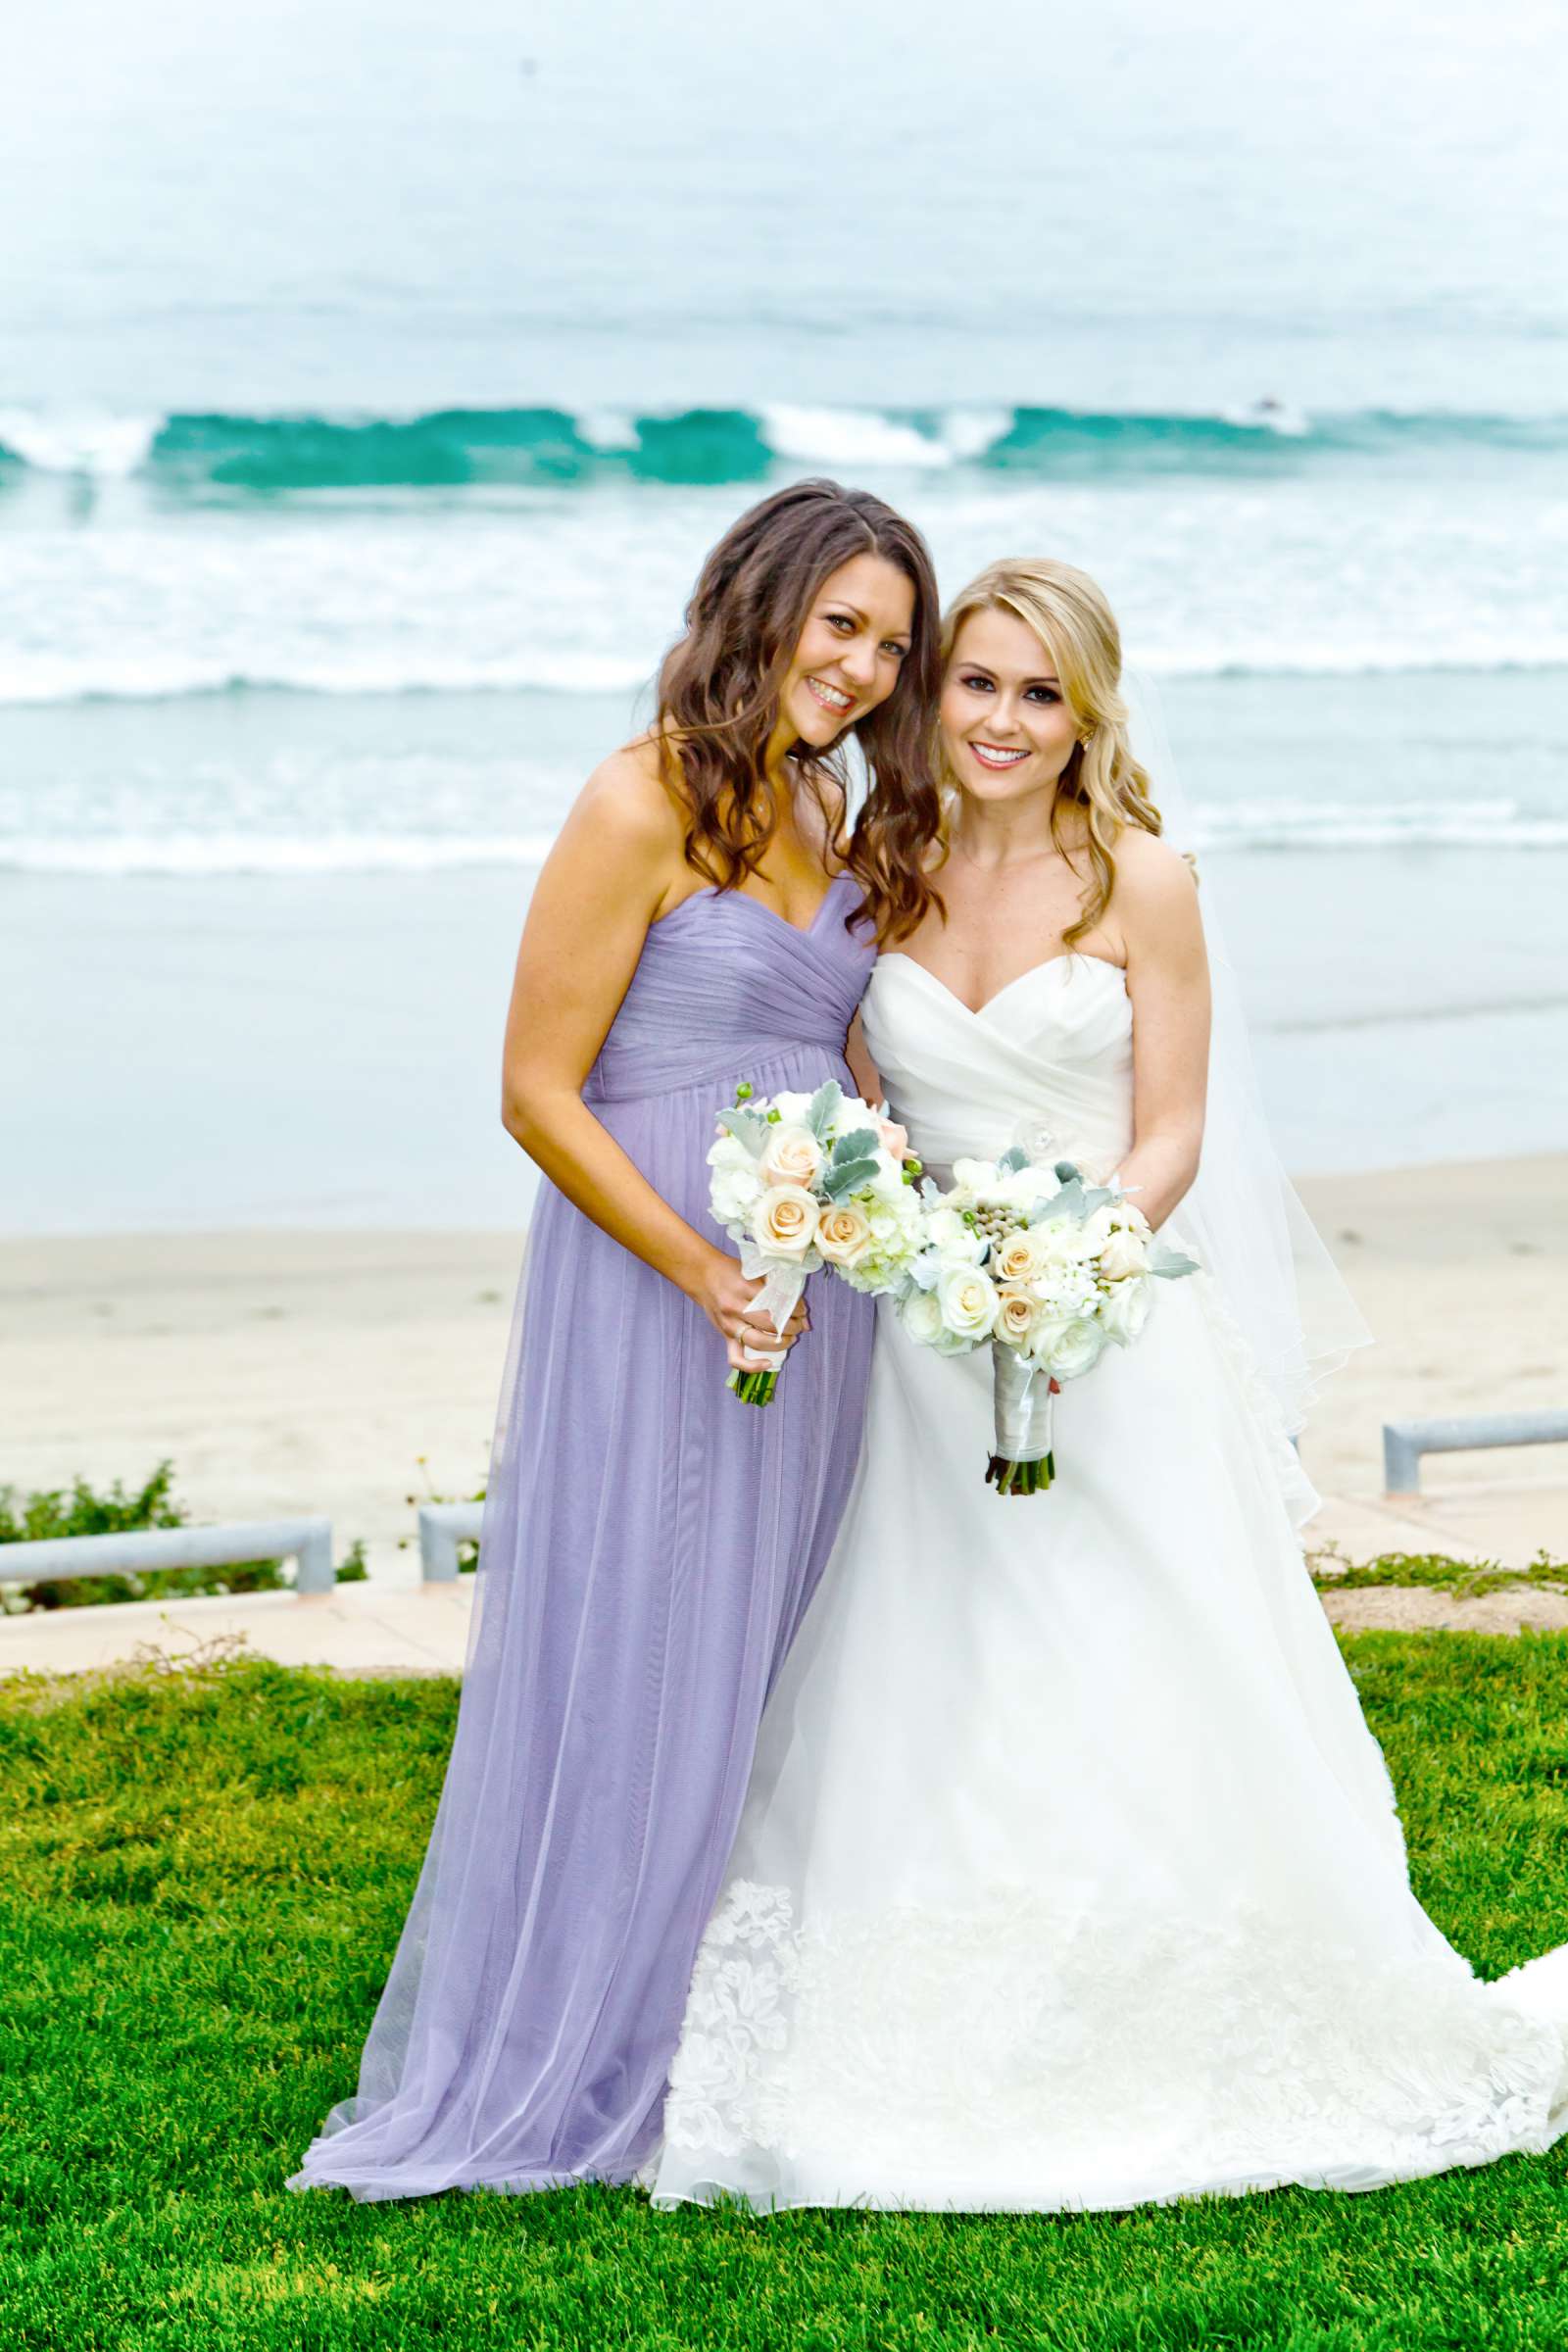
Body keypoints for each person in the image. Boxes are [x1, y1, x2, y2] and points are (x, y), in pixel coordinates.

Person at [653, 556, 1568, 2215]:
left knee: (1140, 1647)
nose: (1001, 719)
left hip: (1103, 1330)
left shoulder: (1143, 879)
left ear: (1088, 714)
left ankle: (1184, 1998)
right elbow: (864, 1088)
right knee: (943, 1657)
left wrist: (1067, 1267)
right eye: (976, 683)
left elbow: (1170, 1132)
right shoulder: (886, 859)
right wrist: (894, 1231)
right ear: (935, 698)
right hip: (933, 1351)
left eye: (1039, 692)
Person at [289, 479, 942, 2201]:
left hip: (819, 1285)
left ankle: (721, 2023)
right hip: (665, 1283)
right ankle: (578, 2041)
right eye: (840, 627)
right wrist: (699, 1268)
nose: (866, 669)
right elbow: (534, 1092)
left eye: (891, 642)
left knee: (767, 1653)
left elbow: (846, 1051)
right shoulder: (637, 796)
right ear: (762, 604)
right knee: (648, 1645)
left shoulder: (832, 801)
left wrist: (905, 1210)